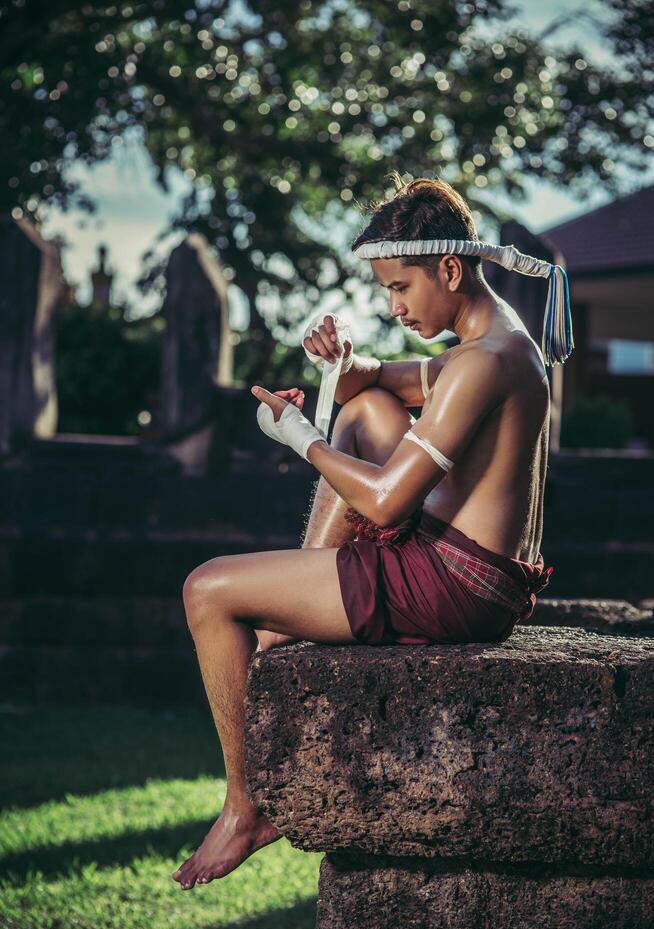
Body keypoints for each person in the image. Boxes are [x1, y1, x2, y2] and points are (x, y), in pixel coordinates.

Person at [172, 174, 564, 890]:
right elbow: (370, 388)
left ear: (450, 268)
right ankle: (287, 622)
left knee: (207, 590)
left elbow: (385, 505)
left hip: (453, 583)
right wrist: (343, 359)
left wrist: (298, 438)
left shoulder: (483, 364)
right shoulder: (489, 342)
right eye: (384, 291)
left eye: (401, 287)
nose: (394, 306)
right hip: (469, 568)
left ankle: (245, 805)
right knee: (367, 412)